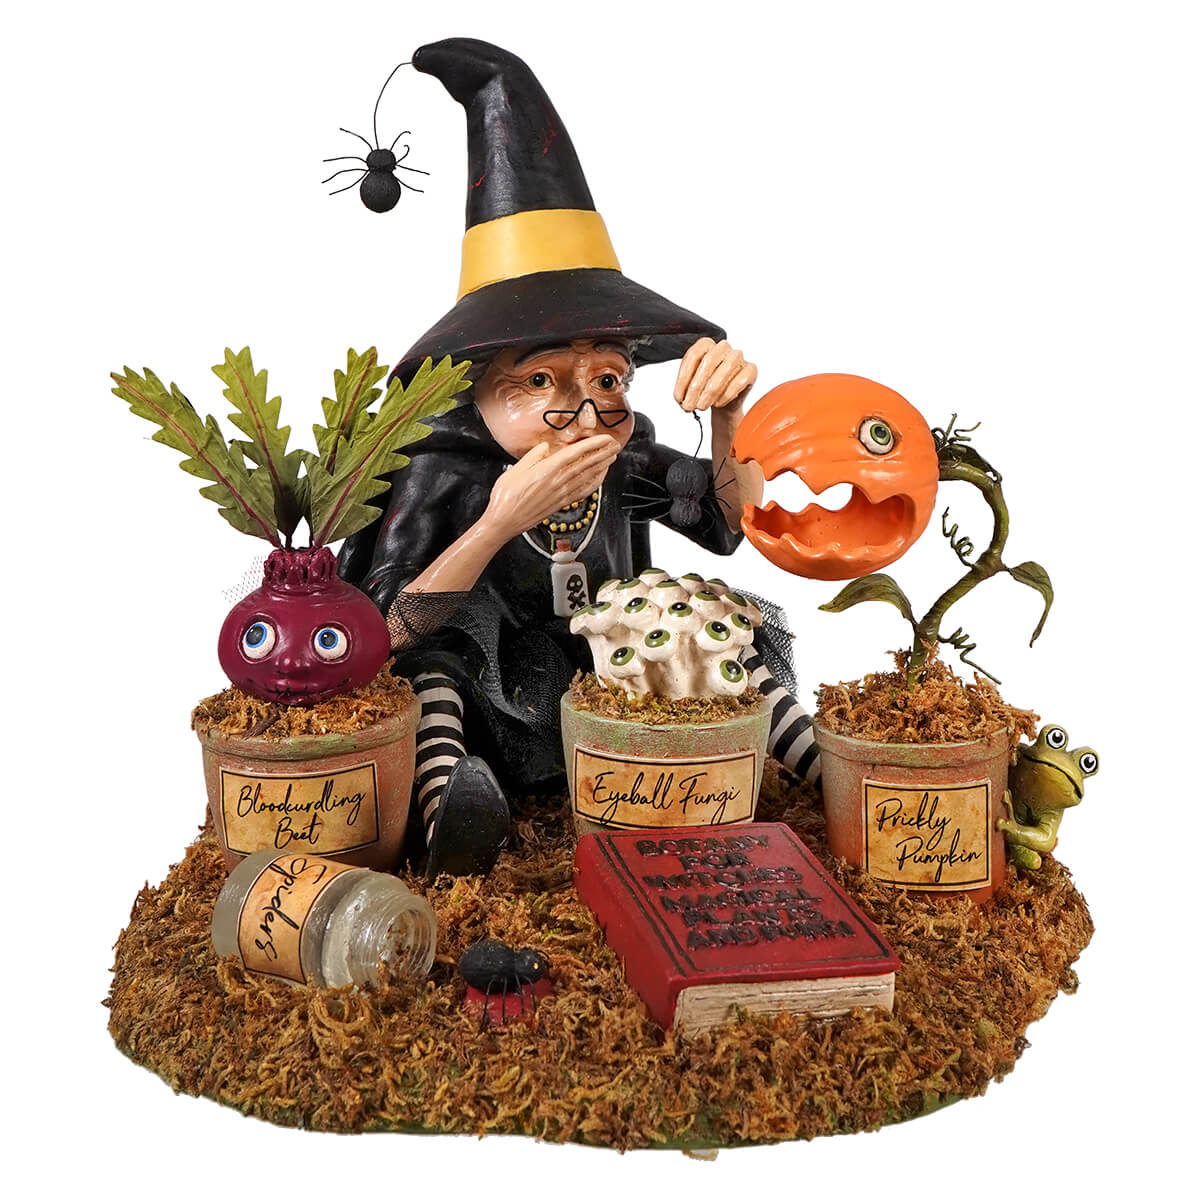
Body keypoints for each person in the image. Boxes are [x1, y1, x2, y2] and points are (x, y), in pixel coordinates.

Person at [339, 39, 819, 878]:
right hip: (488, 696)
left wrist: (731, 416)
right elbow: (387, 630)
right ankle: (450, 804)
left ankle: (824, 771)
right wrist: (499, 523)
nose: (587, 409)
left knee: (721, 637)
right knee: (431, 669)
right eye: (542, 381)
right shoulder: (438, 466)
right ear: (478, 389)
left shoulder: (622, 454)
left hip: (607, 680)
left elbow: (727, 525)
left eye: (607, 376)